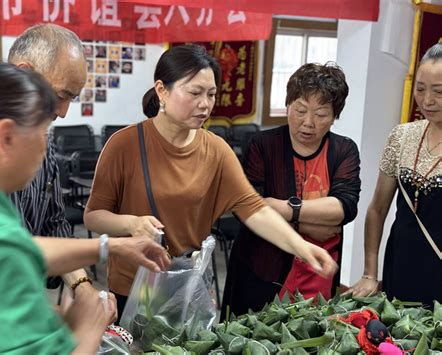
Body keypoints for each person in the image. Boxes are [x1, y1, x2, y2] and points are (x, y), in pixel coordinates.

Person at [84, 44, 338, 317]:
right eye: (194, 93)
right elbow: (94, 216)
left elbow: (253, 209)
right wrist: (131, 223)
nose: (205, 104)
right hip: (132, 286)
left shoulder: (216, 150)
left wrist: (303, 248)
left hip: (186, 284)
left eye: (211, 94)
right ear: (162, 91)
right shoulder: (124, 144)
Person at [0, 60, 170, 354]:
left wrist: (109, 247)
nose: (46, 146)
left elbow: (23, 249)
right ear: (6, 138)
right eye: (43, 131)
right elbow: (5, 250)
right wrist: (88, 328)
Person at [221, 62, 361, 318]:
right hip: (261, 268)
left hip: (319, 271)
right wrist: (310, 224)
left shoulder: (344, 150)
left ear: (334, 115)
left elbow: (345, 207)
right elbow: (249, 207)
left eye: (321, 114)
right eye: (300, 110)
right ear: (288, 106)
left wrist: (285, 208)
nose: (308, 123)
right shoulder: (262, 145)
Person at [8, 24, 112, 312]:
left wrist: (82, 286)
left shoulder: (42, 139)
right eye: (62, 94)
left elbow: (54, 223)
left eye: (72, 98)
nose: (63, 112)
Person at [348, 43, 442, 306]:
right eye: (420, 89)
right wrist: (370, 273)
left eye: (439, 92)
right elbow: (377, 209)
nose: (427, 101)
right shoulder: (401, 136)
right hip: (400, 266)